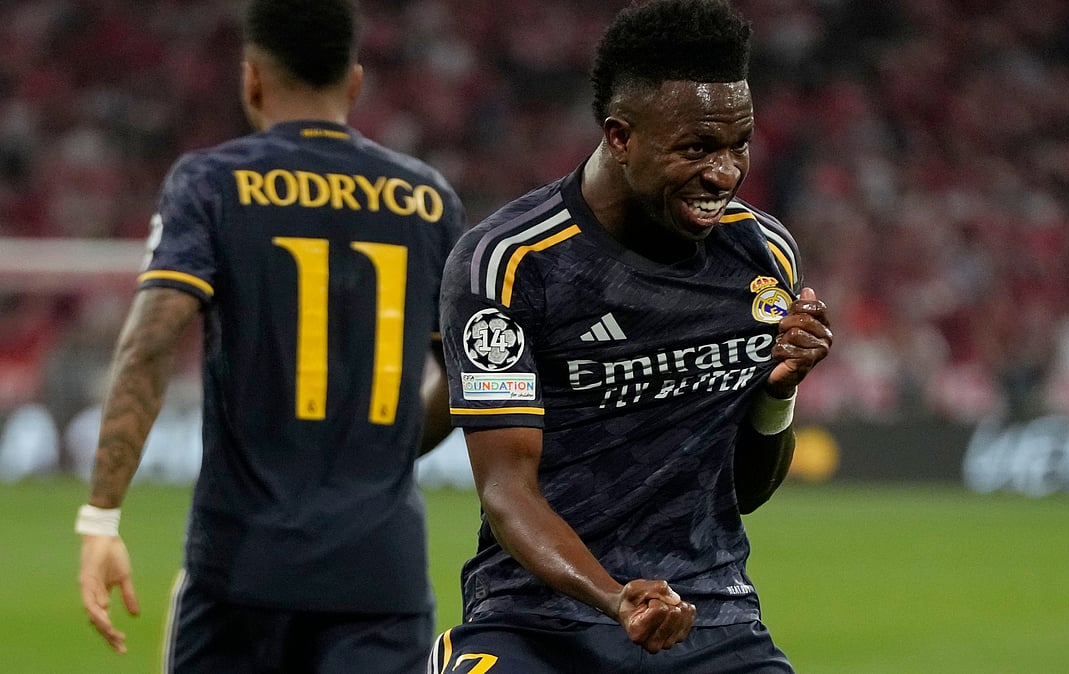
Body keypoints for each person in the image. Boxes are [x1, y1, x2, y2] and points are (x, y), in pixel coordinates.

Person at [432, 0, 832, 671]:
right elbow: (507, 491)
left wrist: (778, 394)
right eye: (696, 148)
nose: (725, 174)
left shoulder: (763, 254)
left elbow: (745, 493)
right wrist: (616, 598)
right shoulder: (510, 262)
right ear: (620, 137)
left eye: (739, 144)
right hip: (537, 621)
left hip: (713, 618)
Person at [75, 1, 465, 671]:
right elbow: (466, 372)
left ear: (251, 78)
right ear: (354, 82)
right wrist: (386, 447)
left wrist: (101, 516)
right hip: (380, 576)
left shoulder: (211, 183)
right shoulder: (429, 199)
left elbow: (149, 343)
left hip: (242, 571)